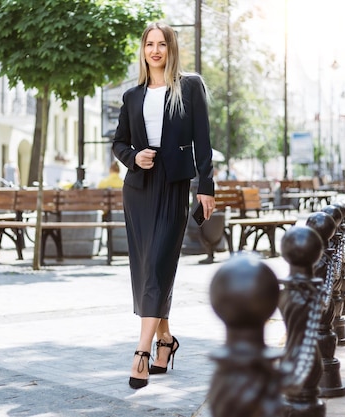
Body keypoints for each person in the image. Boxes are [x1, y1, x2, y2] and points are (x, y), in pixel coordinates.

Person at [111, 22, 215, 390]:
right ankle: (165, 340)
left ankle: (141, 351)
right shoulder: (132, 96)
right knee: (145, 268)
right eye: (149, 44)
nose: (155, 51)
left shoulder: (189, 87)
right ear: (143, 50)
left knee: (158, 263)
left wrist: (207, 186)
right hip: (138, 189)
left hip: (173, 187)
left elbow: (203, 139)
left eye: (162, 45)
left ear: (171, 49)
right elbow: (119, 143)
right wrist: (133, 157)